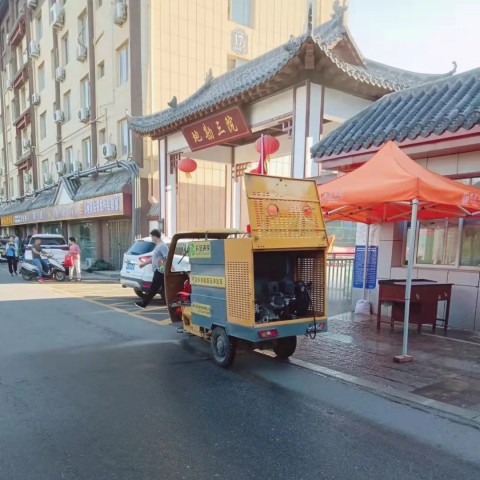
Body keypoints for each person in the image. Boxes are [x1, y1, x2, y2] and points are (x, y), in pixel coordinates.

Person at [134, 229, 169, 309]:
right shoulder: (158, 246)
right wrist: (144, 263)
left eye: (152, 237)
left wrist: (164, 269)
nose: (152, 238)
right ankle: (170, 305)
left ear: (155, 236)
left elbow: (167, 258)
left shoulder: (162, 246)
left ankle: (143, 303)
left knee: (153, 288)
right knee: (165, 289)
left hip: (160, 271)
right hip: (158, 270)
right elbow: (153, 258)